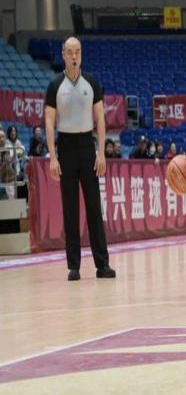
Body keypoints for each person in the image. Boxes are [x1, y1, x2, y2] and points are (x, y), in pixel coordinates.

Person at [44, 35, 115, 281]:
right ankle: (73, 266)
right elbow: (49, 123)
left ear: (81, 54)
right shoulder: (55, 85)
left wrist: (101, 152)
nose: (74, 56)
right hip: (65, 147)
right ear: (63, 55)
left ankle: (102, 264)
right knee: (70, 208)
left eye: (78, 52)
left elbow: (100, 119)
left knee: (94, 207)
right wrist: (53, 157)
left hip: (87, 146)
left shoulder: (91, 82)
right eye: (70, 52)